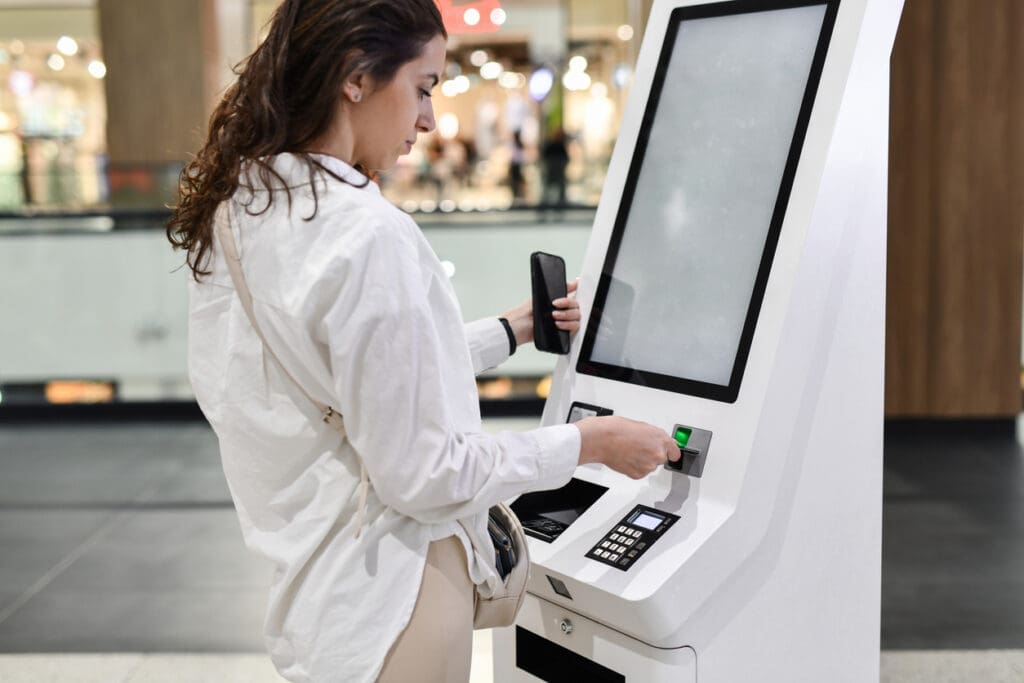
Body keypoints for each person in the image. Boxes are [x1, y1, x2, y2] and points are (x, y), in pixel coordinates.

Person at [166, 1, 678, 681]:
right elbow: (427, 475)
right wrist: (590, 443)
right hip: (397, 595)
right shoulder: (367, 233)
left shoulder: (241, 213)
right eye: (424, 86)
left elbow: (345, 378)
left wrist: (510, 331)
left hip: (314, 594)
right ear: (355, 75)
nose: (429, 119)